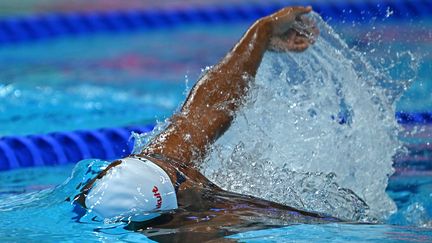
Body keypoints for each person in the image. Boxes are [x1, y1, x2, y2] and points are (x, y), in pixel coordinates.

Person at [74, 6, 330, 241]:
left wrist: (262, 32)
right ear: (179, 204)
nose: (192, 172)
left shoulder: (146, 186)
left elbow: (207, 110)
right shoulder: (200, 228)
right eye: (180, 174)